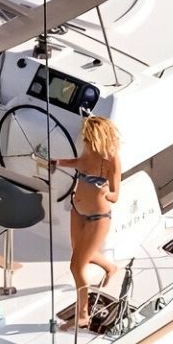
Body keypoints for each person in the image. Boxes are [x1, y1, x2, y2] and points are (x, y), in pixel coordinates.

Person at [49, 115, 122, 331]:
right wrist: (57, 162)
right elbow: (79, 163)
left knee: (77, 265)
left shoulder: (111, 160)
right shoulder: (87, 153)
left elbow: (117, 196)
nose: (86, 142)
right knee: (78, 251)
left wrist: (107, 193)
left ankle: (82, 315)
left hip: (98, 219)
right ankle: (110, 267)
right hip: (77, 211)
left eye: (89, 138)